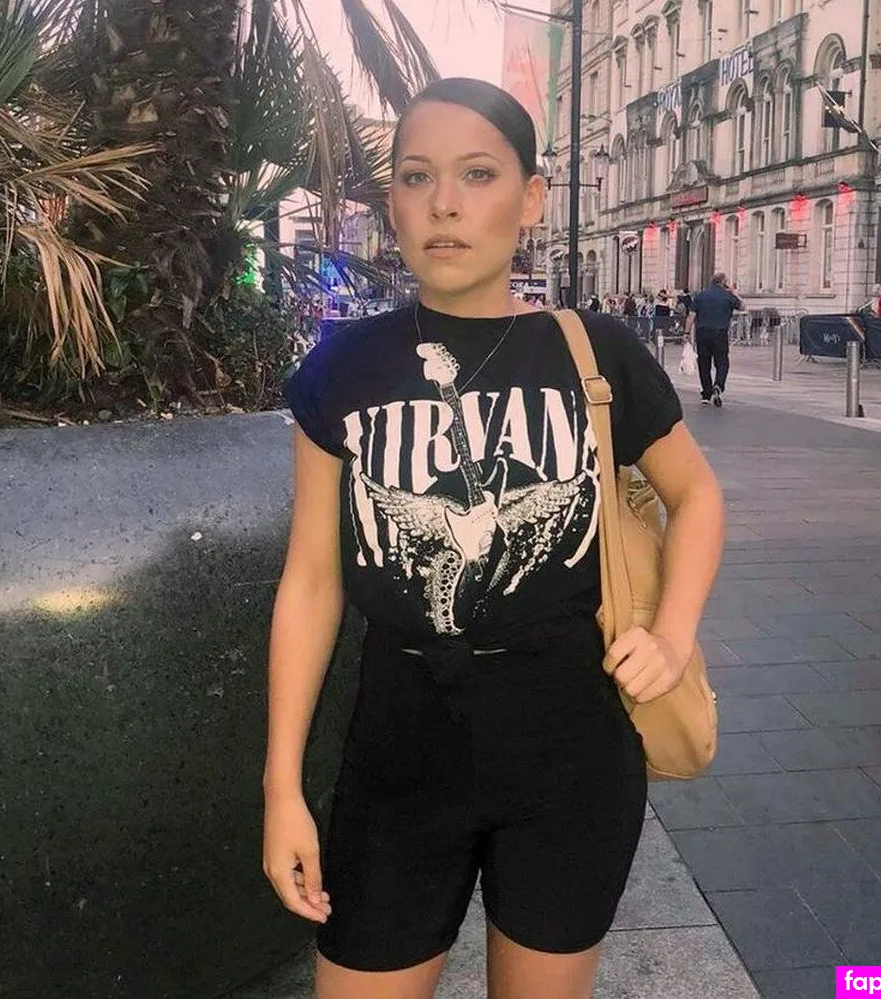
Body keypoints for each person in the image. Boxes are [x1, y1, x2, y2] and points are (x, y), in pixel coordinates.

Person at [265, 77, 726, 999]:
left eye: (478, 174)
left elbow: (697, 496)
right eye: (416, 176)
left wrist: (673, 633)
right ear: (392, 201)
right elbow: (312, 579)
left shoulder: (594, 350)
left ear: (532, 197)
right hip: (400, 745)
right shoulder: (345, 366)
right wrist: (281, 786)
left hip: (571, 745)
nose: (444, 203)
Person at [687, 272, 743, 408]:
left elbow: (691, 316)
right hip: (720, 333)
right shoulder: (727, 296)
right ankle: (718, 384)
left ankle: (706, 393)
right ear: (723, 282)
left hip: (702, 333)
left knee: (704, 363)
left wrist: (686, 332)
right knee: (722, 362)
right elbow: (742, 307)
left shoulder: (700, 295)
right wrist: (734, 293)